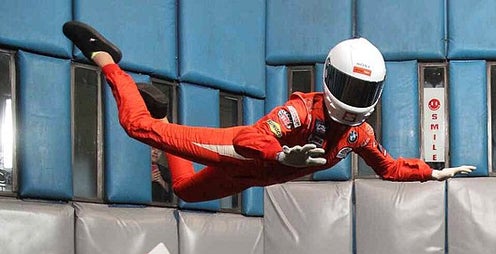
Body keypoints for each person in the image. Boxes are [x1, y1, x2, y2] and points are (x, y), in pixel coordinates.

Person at [62, 21, 475, 203]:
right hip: (241, 156)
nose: (353, 98)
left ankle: (163, 112)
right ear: (330, 77)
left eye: (363, 90)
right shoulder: (301, 112)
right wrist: (280, 154)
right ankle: (106, 59)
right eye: (349, 85)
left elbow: (387, 168)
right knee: (137, 127)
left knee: (185, 190)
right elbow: (249, 138)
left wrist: (431, 172)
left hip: (249, 180)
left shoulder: (358, 135)